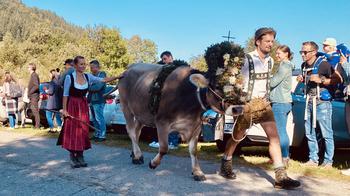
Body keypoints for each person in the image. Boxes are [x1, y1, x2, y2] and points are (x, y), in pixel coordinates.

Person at [220, 27, 300, 189]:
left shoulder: (270, 61)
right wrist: (236, 102)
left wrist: (266, 99)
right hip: (247, 105)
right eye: (267, 41)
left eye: (272, 41)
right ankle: (226, 161)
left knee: (274, 137)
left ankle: (280, 176)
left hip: (263, 104)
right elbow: (234, 80)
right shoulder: (246, 58)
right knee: (237, 137)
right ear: (257, 42)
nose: (270, 44)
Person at [58, 56, 119, 168]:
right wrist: (65, 110)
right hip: (72, 105)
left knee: (83, 130)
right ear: (75, 65)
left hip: (83, 105)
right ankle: (73, 156)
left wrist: (119, 76)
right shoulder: (69, 77)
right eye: (81, 64)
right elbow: (65, 94)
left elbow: (103, 80)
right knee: (72, 130)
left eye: (84, 64)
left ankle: (80, 155)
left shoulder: (88, 76)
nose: (83, 66)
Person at [297, 41, 341, 168]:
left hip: (322, 102)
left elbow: (338, 79)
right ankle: (313, 159)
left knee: (326, 133)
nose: (303, 55)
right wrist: (302, 77)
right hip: (309, 101)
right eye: (302, 52)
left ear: (314, 52)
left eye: (305, 52)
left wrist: (321, 80)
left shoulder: (323, 64)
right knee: (309, 132)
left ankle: (328, 161)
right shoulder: (304, 65)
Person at [149, 51, 180, 150]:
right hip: (163, 99)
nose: (163, 61)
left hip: (174, 99)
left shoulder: (177, 68)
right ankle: (159, 140)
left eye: (165, 59)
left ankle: (173, 142)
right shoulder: (162, 67)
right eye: (162, 59)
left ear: (170, 57)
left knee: (173, 122)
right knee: (161, 121)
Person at [270, 45, 294, 167]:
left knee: (280, 131)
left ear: (286, 54)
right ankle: (281, 155)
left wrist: (265, 79)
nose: (277, 55)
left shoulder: (285, 66)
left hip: (280, 102)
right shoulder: (285, 65)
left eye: (279, 53)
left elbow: (273, 82)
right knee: (280, 130)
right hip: (283, 102)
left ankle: (284, 157)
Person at [87, 60, 107, 142]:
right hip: (91, 100)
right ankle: (97, 134)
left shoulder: (102, 75)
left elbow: (98, 87)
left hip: (99, 100)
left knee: (99, 118)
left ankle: (102, 135)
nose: (91, 69)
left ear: (97, 67)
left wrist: (88, 87)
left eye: (92, 67)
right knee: (94, 119)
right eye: (90, 67)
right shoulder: (91, 76)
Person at [27, 63, 41, 129]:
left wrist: (30, 92)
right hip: (33, 96)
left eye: (28, 67)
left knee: (34, 110)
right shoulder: (33, 75)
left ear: (32, 68)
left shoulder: (34, 75)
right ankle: (36, 124)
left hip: (34, 96)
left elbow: (36, 86)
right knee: (33, 110)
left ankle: (37, 126)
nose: (28, 68)